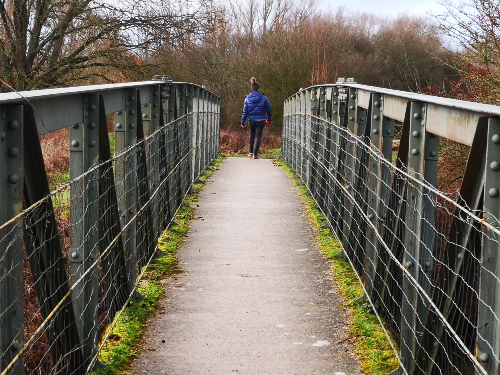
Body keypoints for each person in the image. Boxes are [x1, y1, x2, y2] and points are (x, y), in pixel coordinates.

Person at [241, 77, 272, 159]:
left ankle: (250, 153)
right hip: (261, 119)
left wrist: (243, 122)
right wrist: (269, 118)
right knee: (258, 136)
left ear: (251, 89)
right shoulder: (263, 97)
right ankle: (255, 154)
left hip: (251, 119)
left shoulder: (247, 98)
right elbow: (269, 108)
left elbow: (245, 111)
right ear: (258, 88)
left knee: (252, 135)